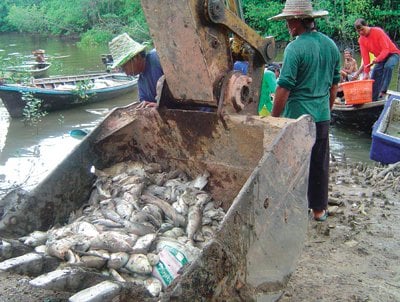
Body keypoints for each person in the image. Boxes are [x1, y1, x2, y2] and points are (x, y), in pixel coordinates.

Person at [269, 0, 341, 221]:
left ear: (294, 23)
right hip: (321, 116)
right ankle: (319, 210)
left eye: (288, 22)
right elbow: (334, 84)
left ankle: (292, 209)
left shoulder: (295, 48)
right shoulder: (331, 46)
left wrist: (274, 119)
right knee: (319, 163)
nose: (287, 27)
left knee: (294, 165)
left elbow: (284, 87)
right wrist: (327, 109)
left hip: (298, 118)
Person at [109, 33, 164, 108]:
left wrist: (160, 106)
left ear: (136, 58)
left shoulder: (158, 58)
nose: (126, 72)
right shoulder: (141, 81)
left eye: (124, 67)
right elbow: (145, 101)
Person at [354, 18, 400, 101]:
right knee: (374, 75)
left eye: (362, 29)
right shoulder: (361, 40)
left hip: (392, 54)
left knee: (388, 66)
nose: (361, 32)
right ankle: (373, 98)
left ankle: (383, 90)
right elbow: (365, 57)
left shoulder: (378, 31)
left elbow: (386, 49)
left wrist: (377, 59)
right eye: (358, 31)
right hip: (380, 58)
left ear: (367, 25)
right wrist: (366, 73)